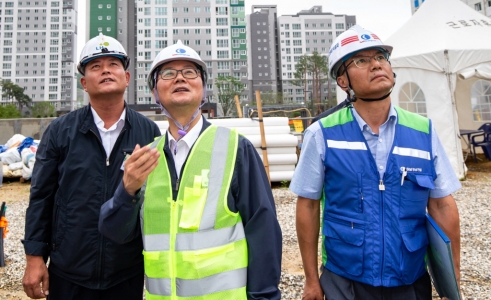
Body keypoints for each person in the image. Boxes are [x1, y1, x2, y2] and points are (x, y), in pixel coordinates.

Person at [99, 40, 282, 300]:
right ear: (154, 92)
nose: (179, 78)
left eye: (190, 72)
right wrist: (126, 191)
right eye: (168, 73)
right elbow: (115, 232)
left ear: (203, 87)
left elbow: (263, 230)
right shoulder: (144, 158)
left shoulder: (235, 148)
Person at [290, 25, 461, 300]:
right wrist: (311, 280)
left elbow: (442, 204)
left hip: (410, 280)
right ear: (343, 81)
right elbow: (307, 205)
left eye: (381, 57)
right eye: (362, 60)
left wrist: (452, 280)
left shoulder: (423, 132)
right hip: (344, 281)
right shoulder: (322, 134)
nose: (376, 65)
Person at [22, 33, 161, 300]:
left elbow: (154, 201)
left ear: (127, 77)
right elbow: (41, 197)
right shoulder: (60, 131)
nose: (106, 70)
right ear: (84, 83)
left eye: (113, 64)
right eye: (96, 66)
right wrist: (34, 257)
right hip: (69, 270)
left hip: (126, 270)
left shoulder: (148, 131)